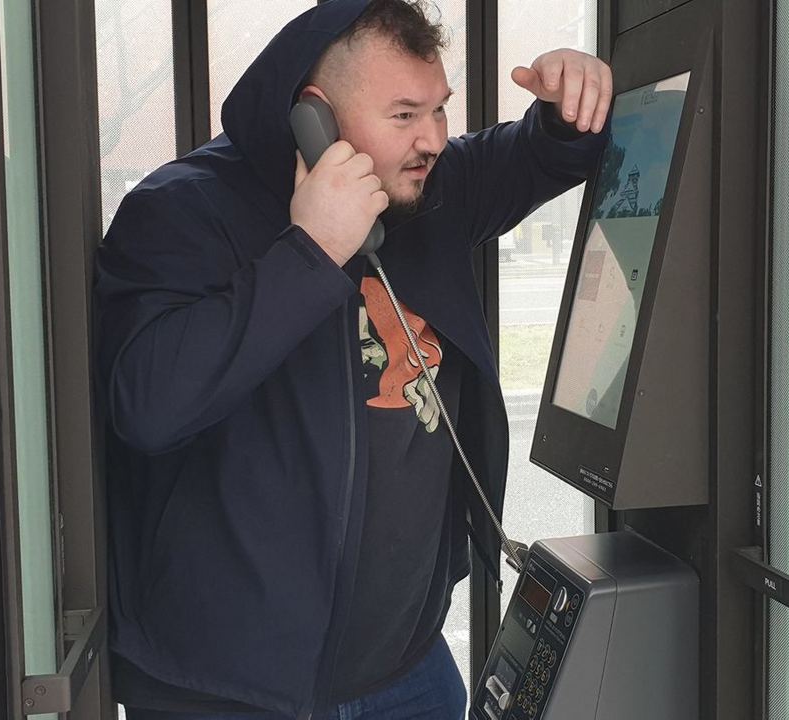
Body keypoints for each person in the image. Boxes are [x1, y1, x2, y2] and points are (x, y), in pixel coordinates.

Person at [94, 0, 611, 718]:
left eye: (439, 109)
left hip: (404, 669)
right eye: (403, 115)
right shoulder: (179, 211)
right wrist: (308, 252)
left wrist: (570, 103)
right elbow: (147, 406)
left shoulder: (426, 186)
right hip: (224, 689)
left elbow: (533, 155)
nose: (431, 138)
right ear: (318, 115)